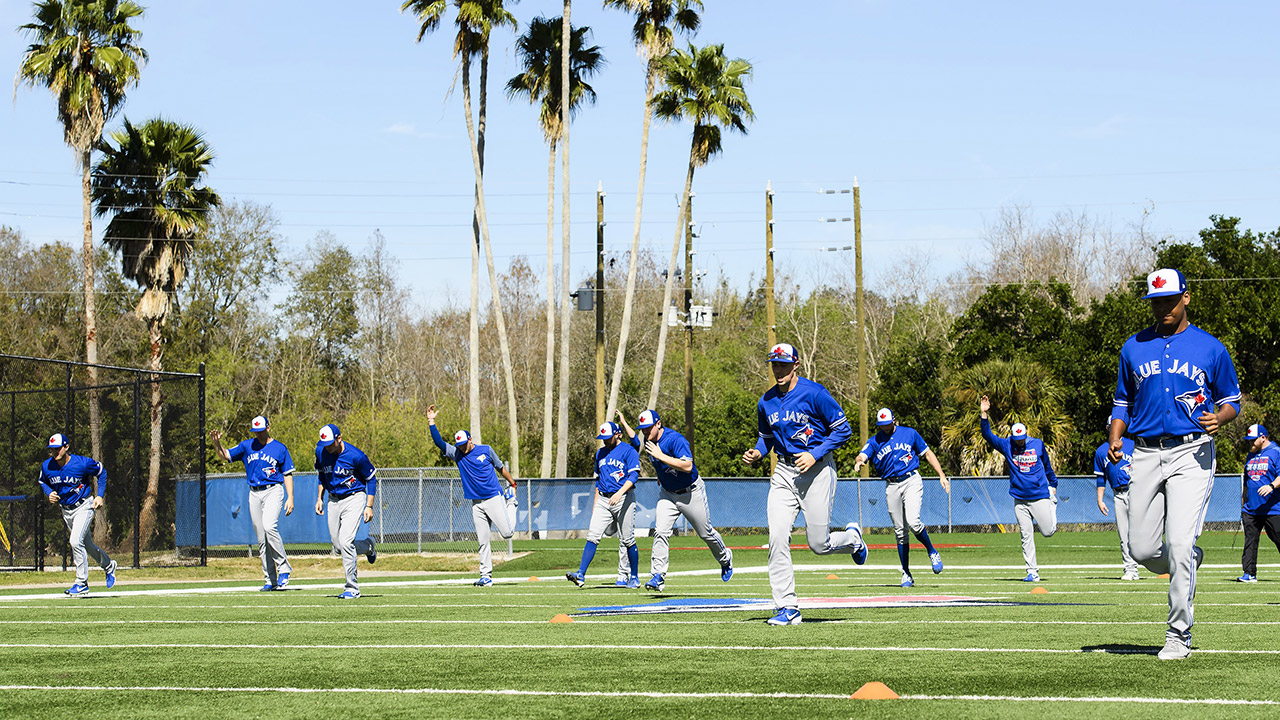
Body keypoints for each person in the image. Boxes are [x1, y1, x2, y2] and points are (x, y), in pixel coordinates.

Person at [1110, 268, 1240, 660]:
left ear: (1186, 297)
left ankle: (1177, 634)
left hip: (1192, 452)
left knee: (1180, 543)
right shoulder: (1134, 347)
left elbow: (1231, 399)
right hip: (1146, 452)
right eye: (1156, 301)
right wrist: (1116, 437)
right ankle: (1186, 560)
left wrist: (1223, 417)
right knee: (1142, 549)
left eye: (1169, 299)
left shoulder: (1211, 348)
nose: (1163, 307)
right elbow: (1122, 403)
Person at [741, 342, 866, 626]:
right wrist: (759, 452)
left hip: (817, 471)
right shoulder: (766, 401)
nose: (779, 369)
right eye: (775, 364)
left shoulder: (815, 393)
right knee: (777, 537)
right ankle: (787, 607)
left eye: (784, 364)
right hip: (784, 472)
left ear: (796, 365)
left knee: (818, 544)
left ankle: (853, 540)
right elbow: (767, 437)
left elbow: (843, 429)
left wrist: (814, 453)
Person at [617, 408, 732, 592]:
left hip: (691, 492)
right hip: (668, 493)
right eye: (643, 429)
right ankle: (658, 575)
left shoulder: (675, 439)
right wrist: (661, 475)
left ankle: (725, 558)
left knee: (706, 533)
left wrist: (661, 456)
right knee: (660, 531)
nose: (645, 432)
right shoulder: (648, 441)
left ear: (658, 424)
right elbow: (653, 458)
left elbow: (687, 465)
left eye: (648, 428)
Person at [852, 408, 950, 588]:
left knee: (913, 522)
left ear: (894, 420)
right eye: (881, 425)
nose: (885, 427)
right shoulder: (875, 441)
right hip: (891, 485)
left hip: (911, 479)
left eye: (887, 423)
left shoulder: (909, 433)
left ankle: (932, 551)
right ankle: (906, 573)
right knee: (899, 532)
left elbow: (927, 453)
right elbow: (863, 453)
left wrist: (941, 475)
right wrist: (860, 460)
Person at [427, 405, 516, 587]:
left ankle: (512, 502)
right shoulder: (458, 455)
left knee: (507, 533)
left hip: (494, 497)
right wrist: (431, 422)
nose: (461, 448)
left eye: (463, 444)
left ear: (470, 440)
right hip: (476, 503)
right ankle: (486, 576)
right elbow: (439, 443)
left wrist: (513, 484)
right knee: (482, 540)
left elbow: (501, 468)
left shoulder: (485, 450)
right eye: (458, 445)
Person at [210, 415, 295, 591]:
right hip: (254, 493)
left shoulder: (279, 448)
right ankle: (270, 579)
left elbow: (287, 473)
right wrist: (217, 444)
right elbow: (225, 456)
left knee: (270, 526)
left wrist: (290, 497)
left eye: (261, 430)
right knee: (261, 539)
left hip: (273, 490)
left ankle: (284, 568)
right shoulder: (247, 445)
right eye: (256, 431)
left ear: (268, 428)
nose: (258, 434)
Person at [979, 396, 1058, 582]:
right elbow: (988, 436)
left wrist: (1053, 484)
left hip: (1040, 496)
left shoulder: (1037, 444)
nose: (1020, 442)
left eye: (1022, 439)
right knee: (1025, 535)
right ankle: (1032, 571)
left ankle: (1053, 505)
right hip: (1019, 499)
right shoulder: (1007, 445)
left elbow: (1046, 465)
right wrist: (984, 414)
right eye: (1017, 439)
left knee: (1048, 532)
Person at [38, 433, 116, 596]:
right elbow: (42, 480)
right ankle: (109, 566)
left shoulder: (82, 463)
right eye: (52, 449)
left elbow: (101, 472)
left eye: (58, 448)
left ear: (66, 447)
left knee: (75, 541)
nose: (55, 452)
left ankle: (81, 583)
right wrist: (49, 492)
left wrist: (100, 495)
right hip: (66, 510)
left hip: (84, 506)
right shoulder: (47, 466)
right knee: (87, 545)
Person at [566, 421, 640, 589]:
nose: (605, 441)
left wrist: (619, 493)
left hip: (624, 498)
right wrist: (595, 504)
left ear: (618, 434)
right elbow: (598, 481)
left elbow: (634, 476)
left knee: (627, 539)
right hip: (604, 500)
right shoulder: (600, 453)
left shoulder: (629, 451)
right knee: (593, 535)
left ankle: (634, 577)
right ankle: (581, 574)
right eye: (603, 438)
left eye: (608, 437)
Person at [314, 424, 378, 599]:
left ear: (339, 438)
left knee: (346, 540)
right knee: (338, 545)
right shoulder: (320, 451)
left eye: (330, 443)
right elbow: (321, 475)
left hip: (353, 497)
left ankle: (352, 587)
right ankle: (368, 546)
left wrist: (369, 506)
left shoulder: (355, 455)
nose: (327, 447)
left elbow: (371, 479)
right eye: (324, 443)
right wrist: (319, 498)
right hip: (333, 499)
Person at [1093, 422, 1139, 581]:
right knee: (1123, 533)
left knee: (1143, 530)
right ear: (1107, 428)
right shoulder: (1101, 451)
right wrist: (1100, 499)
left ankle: (1162, 561)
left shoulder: (1133, 445)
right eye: (1109, 426)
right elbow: (1100, 478)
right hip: (1118, 494)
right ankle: (1130, 569)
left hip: (1136, 491)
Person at [1238, 424, 1280, 583]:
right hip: (1251, 509)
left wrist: (1271, 486)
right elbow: (1247, 483)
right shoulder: (1251, 456)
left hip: (1273, 508)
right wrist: (1243, 503)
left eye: (1253, 440)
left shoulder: (1276, 452)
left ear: (1263, 437)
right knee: (1250, 541)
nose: (1250, 443)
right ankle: (1249, 573)